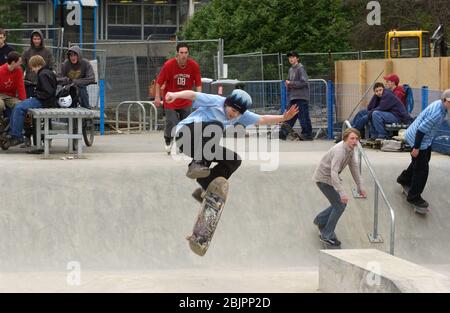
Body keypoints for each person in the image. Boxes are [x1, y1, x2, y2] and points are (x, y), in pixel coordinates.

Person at [165, 89, 299, 203]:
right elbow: (193, 95)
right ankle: (197, 164)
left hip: (200, 145)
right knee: (215, 126)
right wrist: (174, 95)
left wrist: (284, 117)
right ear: (227, 104)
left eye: (238, 113)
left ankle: (205, 188)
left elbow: (262, 119)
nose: (233, 115)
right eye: (233, 110)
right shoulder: (216, 100)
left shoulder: (241, 115)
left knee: (233, 160)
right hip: (185, 135)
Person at [396, 89, 450, 209]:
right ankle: (414, 197)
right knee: (422, 170)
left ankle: (404, 178)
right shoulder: (437, 113)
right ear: (444, 100)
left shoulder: (439, 104)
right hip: (418, 138)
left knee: (422, 160)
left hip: (422, 137)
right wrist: (416, 148)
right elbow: (421, 130)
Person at [313, 127, 366, 247]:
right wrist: (342, 193)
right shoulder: (340, 151)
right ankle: (327, 235)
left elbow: (354, 167)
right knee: (339, 206)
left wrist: (360, 186)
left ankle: (320, 220)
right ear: (346, 139)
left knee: (340, 204)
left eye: (357, 139)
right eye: (352, 138)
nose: (354, 141)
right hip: (323, 180)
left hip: (330, 179)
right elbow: (333, 172)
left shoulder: (350, 150)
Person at [155, 43, 202, 153]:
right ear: (177, 53)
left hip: (185, 99)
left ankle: (182, 144)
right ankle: (168, 139)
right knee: (172, 121)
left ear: (188, 53)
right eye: (181, 53)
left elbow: (198, 84)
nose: (183, 55)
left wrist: (199, 98)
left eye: (186, 53)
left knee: (186, 123)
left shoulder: (194, 65)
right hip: (170, 99)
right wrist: (157, 97)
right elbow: (158, 82)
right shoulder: (169, 65)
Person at [3, 55, 56, 147]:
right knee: (18, 106)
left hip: (43, 101)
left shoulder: (43, 74)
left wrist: (35, 95)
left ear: (37, 65)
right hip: (45, 100)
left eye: (32, 67)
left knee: (19, 107)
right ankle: (14, 132)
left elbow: (48, 92)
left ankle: (16, 135)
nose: (32, 70)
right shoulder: (47, 72)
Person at [280, 51, 313, 141]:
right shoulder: (291, 70)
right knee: (290, 115)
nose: (291, 59)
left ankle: (307, 134)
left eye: (293, 57)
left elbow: (304, 82)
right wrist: (288, 85)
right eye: (290, 57)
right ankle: (283, 133)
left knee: (303, 116)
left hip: (301, 97)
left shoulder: (300, 68)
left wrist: (291, 83)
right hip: (293, 96)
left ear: (297, 58)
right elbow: (291, 83)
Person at [22, 30, 54, 98]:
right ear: (32, 39)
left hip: (43, 84)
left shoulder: (47, 52)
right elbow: (22, 66)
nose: (36, 41)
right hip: (29, 83)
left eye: (38, 39)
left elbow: (52, 67)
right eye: (34, 39)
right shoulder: (27, 52)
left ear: (41, 39)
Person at [0, 51, 26, 120]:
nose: (21, 64)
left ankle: (13, 125)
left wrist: (24, 101)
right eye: (19, 62)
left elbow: (21, 86)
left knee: (20, 105)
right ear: (13, 62)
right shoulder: (1, 70)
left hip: (10, 96)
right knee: (0, 105)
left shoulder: (18, 71)